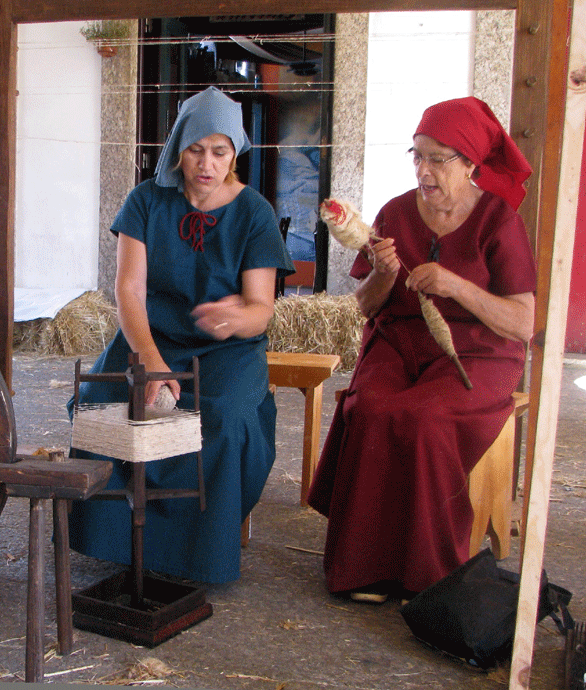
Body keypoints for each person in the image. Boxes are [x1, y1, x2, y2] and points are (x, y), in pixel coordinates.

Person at [307, 97, 537, 603]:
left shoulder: (498, 221)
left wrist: (457, 286)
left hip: (477, 354)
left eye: (439, 159)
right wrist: (386, 275)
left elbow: (522, 323)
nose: (424, 171)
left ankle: (428, 576)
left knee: (426, 416)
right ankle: (363, 569)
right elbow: (364, 306)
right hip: (400, 341)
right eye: (417, 155)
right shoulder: (393, 212)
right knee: (372, 406)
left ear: (471, 163)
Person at [67, 86, 294, 585]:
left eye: (219, 152)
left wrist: (236, 317)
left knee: (225, 418)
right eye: (195, 150)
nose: (206, 164)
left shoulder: (253, 212)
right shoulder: (147, 201)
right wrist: (148, 359)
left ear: (234, 153)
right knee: (101, 400)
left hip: (225, 350)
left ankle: (198, 549)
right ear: (177, 149)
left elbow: (261, 310)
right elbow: (129, 290)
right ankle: (114, 540)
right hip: (151, 338)